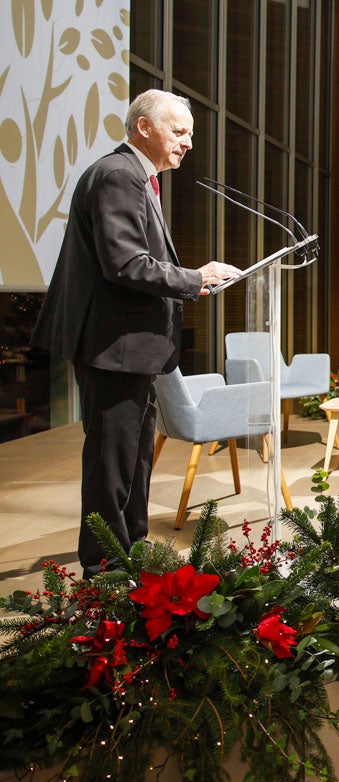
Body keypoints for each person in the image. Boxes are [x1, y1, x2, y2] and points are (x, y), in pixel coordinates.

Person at [30, 90, 241, 578]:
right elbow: (125, 263)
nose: (188, 143)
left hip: (131, 351)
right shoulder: (118, 175)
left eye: (190, 134)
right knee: (113, 462)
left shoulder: (137, 178)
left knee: (133, 461)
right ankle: (105, 570)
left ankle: (132, 553)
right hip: (114, 349)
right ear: (144, 126)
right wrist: (196, 277)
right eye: (179, 131)